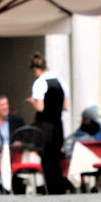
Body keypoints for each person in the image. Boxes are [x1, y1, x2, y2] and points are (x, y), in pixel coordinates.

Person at [25, 52, 69, 194]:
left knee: (47, 159)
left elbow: (40, 107)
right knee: (56, 158)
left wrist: (32, 101)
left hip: (45, 127)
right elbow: (66, 107)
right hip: (58, 125)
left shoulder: (40, 83)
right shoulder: (61, 81)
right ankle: (60, 188)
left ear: (34, 69)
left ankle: (52, 189)